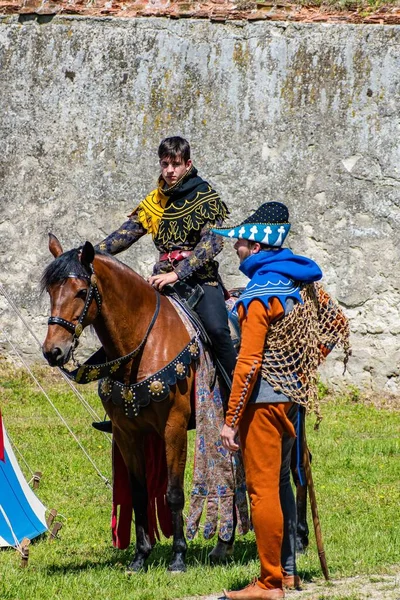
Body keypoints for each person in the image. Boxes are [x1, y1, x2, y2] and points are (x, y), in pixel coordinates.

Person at [212, 202, 349, 600]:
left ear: (255, 247)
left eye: (239, 241)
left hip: (263, 403)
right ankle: (287, 573)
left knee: (262, 490)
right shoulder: (298, 280)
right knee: (280, 485)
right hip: (290, 397)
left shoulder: (260, 293)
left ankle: (269, 583)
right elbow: (336, 324)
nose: (235, 247)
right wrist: (301, 364)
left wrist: (229, 419)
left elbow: (249, 362)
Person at [92, 136, 237, 431]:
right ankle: (121, 406)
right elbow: (126, 234)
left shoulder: (205, 197)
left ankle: (235, 403)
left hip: (200, 281)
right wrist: (90, 254)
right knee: (122, 326)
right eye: (165, 164)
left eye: (175, 164)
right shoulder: (154, 200)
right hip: (160, 281)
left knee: (219, 331)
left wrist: (177, 273)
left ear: (188, 164)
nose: (170, 170)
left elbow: (212, 245)